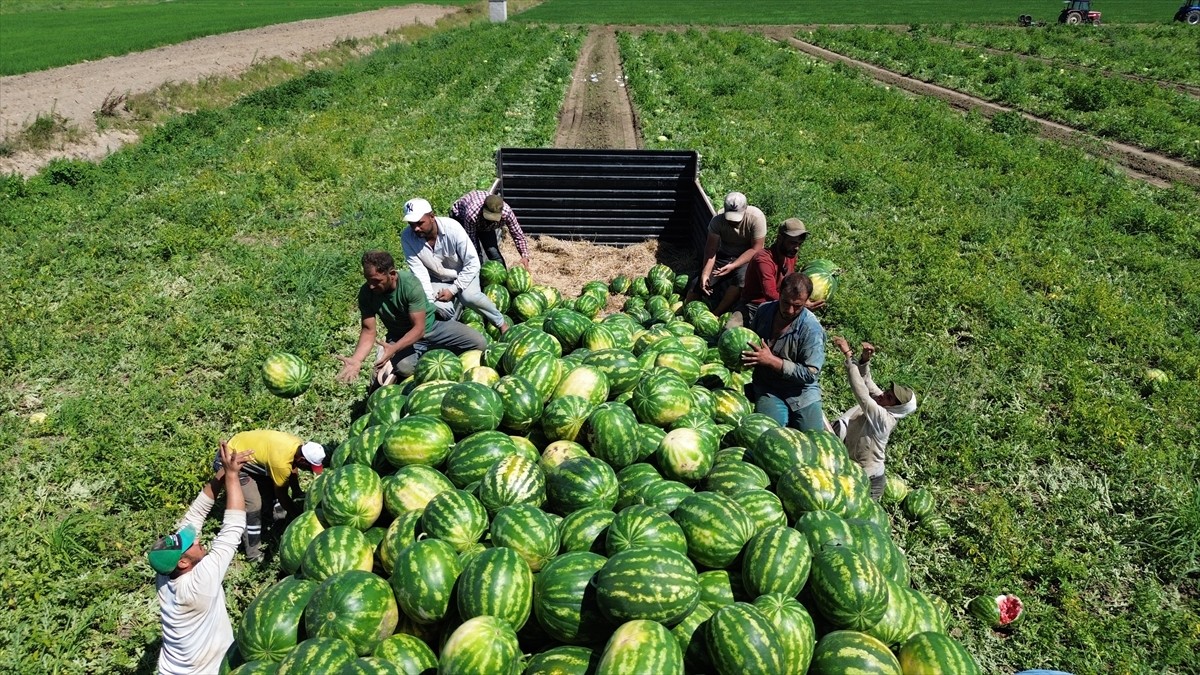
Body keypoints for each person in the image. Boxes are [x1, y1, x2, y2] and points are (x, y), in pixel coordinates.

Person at [150, 443, 250, 675]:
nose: (196, 540)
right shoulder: (199, 585)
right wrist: (233, 477)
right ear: (183, 563)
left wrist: (224, 471)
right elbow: (232, 528)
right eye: (191, 544)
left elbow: (195, 514)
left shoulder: (165, 573)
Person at [336, 250, 487, 387]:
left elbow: (419, 329)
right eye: (368, 280)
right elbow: (369, 331)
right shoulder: (366, 294)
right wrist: (357, 359)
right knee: (404, 368)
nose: (371, 286)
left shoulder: (409, 285)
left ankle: (432, 353)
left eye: (376, 281)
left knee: (479, 343)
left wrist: (394, 349)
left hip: (431, 328)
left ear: (392, 274)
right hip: (400, 336)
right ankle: (422, 362)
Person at [827, 336, 918, 501]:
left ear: (895, 407)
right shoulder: (884, 402)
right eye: (887, 392)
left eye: (889, 398)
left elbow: (862, 392)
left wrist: (848, 355)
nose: (883, 395)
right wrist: (864, 361)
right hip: (853, 467)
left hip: (870, 480)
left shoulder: (884, 419)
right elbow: (867, 383)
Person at [400, 197, 509, 334]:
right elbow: (419, 273)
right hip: (437, 279)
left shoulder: (452, 228)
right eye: (411, 224)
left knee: (470, 297)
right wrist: (429, 301)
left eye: (420, 223)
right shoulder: (407, 238)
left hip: (464, 272)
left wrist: (453, 289)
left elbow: (473, 262)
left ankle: (501, 324)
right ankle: (454, 336)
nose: (415, 228)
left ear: (432, 216)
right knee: (437, 307)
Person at [219, 430, 325, 560]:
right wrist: (298, 516)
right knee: (254, 504)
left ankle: (275, 522)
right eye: (310, 467)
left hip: (242, 445)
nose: (310, 470)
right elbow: (282, 495)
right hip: (230, 459)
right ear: (302, 459)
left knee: (271, 486)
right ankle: (253, 553)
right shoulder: (280, 463)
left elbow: (292, 466)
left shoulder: (297, 444)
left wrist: (297, 490)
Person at [741, 272, 825, 431]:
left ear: (806, 301)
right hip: (769, 387)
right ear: (779, 291)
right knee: (770, 433)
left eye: (798, 306)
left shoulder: (811, 330)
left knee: (814, 438)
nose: (790, 310)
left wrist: (772, 361)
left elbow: (810, 374)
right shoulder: (764, 311)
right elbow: (751, 343)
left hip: (802, 392)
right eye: (786, 302)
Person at [727, 217, 815, 329]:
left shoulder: (790, 256)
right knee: (729, 330)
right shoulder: (764, 260)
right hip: (752, 306)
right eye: (792, 243)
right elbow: (770, 293)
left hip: (780, 305)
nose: (796, 248)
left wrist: (801, 301)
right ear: (779, 238)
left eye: (799, 244)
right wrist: (800, 304)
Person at [688, 191, 767, 316]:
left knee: (741, 280)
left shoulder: (756, 218)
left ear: (745, 209)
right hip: (724, 255)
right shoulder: (717, 220)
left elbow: (756, 249)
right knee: (696, 284)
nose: (732, 222)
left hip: (747, 258)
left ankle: (716, 314)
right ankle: (686, 316)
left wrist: (733, 265)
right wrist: (705, 273)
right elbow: (710, 250)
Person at [449, 190, 531, 269]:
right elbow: (472, 243)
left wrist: (524, 256)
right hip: (461, 218)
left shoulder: (507, 213)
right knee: (475, 257)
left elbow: (518, 235)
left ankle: (502, 282)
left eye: (494, 219)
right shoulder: (472, 215)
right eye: (489, 218)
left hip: (481, 222)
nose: (491, 221)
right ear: (483, 210)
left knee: (493, 253)